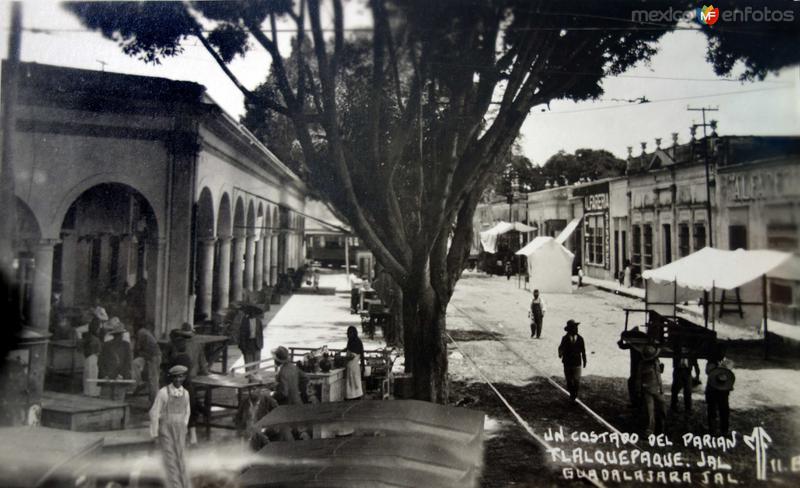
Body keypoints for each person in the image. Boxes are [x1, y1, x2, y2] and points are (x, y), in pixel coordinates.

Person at [149, 365, 192, 488]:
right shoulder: (163, 392)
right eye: (175, 377)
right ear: (171, 378)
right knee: (170, 460)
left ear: (184, 377)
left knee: (181, 459)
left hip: (180, 430)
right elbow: (154, 413)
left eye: (181, 376)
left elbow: (187, 412)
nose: (178, 380)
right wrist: (155, 434)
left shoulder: (186, 393)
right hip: (166, 429)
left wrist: (184, 426)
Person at [272, 346, 306, 441]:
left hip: (287, 406)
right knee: (297, 431)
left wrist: (273, 395)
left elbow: (284, 393)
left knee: (285, 431)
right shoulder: (293, 367)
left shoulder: (282, 372)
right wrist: (297, 390)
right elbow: (305, 378)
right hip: (297, 402)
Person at [98, 317, 133, 401]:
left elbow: (128, 363)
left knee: (118, 400)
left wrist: (121, 374)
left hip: (119, 378)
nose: (119, 337)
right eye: (117, 335)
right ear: (114, 335)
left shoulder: (126, 345)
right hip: (108, 377)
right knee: (106, 400)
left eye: (119, 335)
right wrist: (105, 375)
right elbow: (100, 361)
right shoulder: (107, 345)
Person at [234, 386, 279, 451]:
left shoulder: (267, 400)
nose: (251, 391)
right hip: (248, 433)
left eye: (254, 389)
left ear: (259, 389)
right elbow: (238, 417)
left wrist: (268, 429)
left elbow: (278, 413)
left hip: (263, 432)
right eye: (250, 389)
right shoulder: (245, 402)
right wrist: (241, 429)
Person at [638, 343, 666, 436]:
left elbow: (659, 375)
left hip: (658, 389)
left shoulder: (657, 361)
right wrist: (640, 389)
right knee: (650, 412)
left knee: (662, 410)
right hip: (648, 390)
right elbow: (639, 378)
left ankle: (660, 430)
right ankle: (649, 431)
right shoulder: (642, 364)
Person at [706, 346, 735, 435]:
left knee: (724, 411)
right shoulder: (711, 363)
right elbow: (708, 371)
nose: (722, 354)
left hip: (723, 391)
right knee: (712, 410)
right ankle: (712, 430)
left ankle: (724, 430)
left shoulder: (727, 362)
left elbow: (729, 369)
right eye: (720, 352)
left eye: (723, 352)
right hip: (712, 390)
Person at [133, 321, 162, 405]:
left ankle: (155, 403)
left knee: (153, 380)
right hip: (149, 356)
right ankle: (140, 382)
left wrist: (140, 352)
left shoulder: (141, 332)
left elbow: (138, 348)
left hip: (154, 356)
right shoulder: (146, 333)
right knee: (135, 363)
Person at [558, 320, 586, 401]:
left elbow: (583, 350)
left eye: (576, 328)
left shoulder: (580, 339)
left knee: (576, 380)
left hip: (577, 363)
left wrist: (584, 360)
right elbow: (560, 347)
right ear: (569, 329)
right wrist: (560, 354)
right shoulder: (565, 338)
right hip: (567, 363)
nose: (576, 330)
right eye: (574, 328)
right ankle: (571, 394)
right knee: (569, 380)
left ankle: (574, 395)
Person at [670, 345, 700, 416]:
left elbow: (696, 365)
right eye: (683, 348)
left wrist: (697, 375)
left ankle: (688, 409)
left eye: (686, 348)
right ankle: (673, 407)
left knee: (688, 391)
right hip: (678, 372)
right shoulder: (677, 353)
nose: (684, 350)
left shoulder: (691, 355)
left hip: (687, 373)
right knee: (675, 390)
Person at [239, 307, 265, 373]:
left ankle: (256, 374)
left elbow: (261, 334)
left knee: (256, 360)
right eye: (251, 312)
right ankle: (249, 376)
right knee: (248, 360)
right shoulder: (244, 321)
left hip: (256, 343)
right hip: (248, 343)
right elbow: (242, 334)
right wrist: (242, 345)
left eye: (253, 312)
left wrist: (261, 344)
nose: (252, 313)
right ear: (248, 313)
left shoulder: (258, 321)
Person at [82, 319, 103, 397]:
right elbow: (98, 350)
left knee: (88, 375)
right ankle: (92, 392)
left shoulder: (88, 337)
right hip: (93, 358)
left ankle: (88, 392)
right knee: (93, 375)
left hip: (88, 358)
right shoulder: (95, 339)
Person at [343, 326, 365, 400]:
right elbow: (348, 348)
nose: (348, 335)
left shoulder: (356, 342)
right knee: (352, 384)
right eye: (348, 333)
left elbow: (352, 356)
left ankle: (354, 398)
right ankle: (352, 397)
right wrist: (341, 351)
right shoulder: (351, 341)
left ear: (353, 333)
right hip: (351, 366)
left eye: (349, 333)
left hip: (353, 366)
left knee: (353, 384)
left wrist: (343, 359)